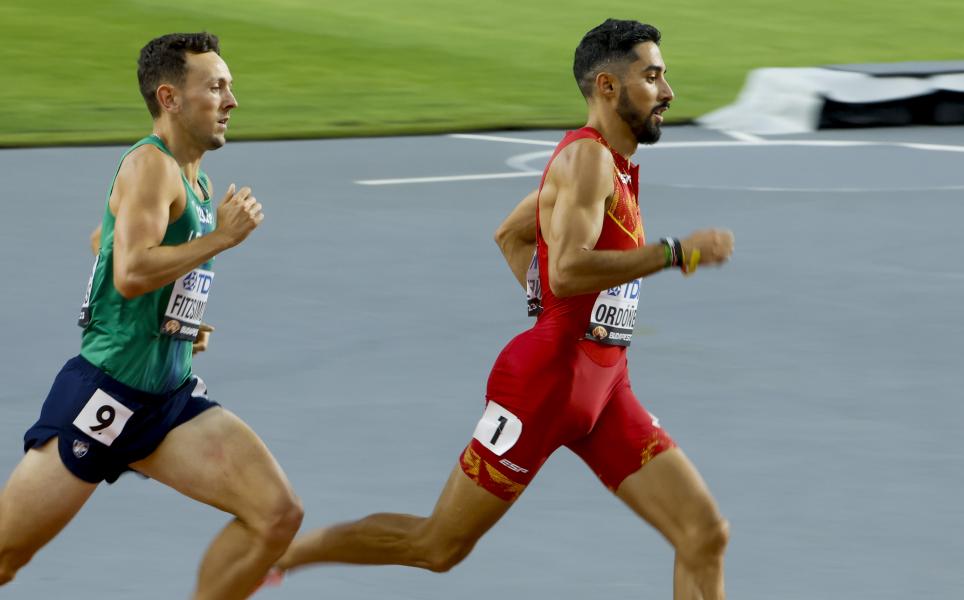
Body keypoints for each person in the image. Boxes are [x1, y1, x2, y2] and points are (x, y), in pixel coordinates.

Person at [273, 18, 734, 598]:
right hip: (541, 387)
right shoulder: (586, 161)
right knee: (437, 547)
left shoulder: (609, 166)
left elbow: (511, 235)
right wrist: (674, 253)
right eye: (653, 76)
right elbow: (566, 271)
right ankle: (293, 552)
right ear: (608, 87)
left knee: (703, 533)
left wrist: (554, 315)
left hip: (605, 387)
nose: (668, 92)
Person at [0, 32, 303, 600]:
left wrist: (174, 324)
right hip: (105, 398)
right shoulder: (150, 166)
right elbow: (131, 270)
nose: (232, 100)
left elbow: (104, 242)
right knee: (5, 558)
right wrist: (220, 239)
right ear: (170, 98)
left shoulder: (198, 179)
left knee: (278, 514)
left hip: (167, 400)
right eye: (216, 87)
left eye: (230, 86)